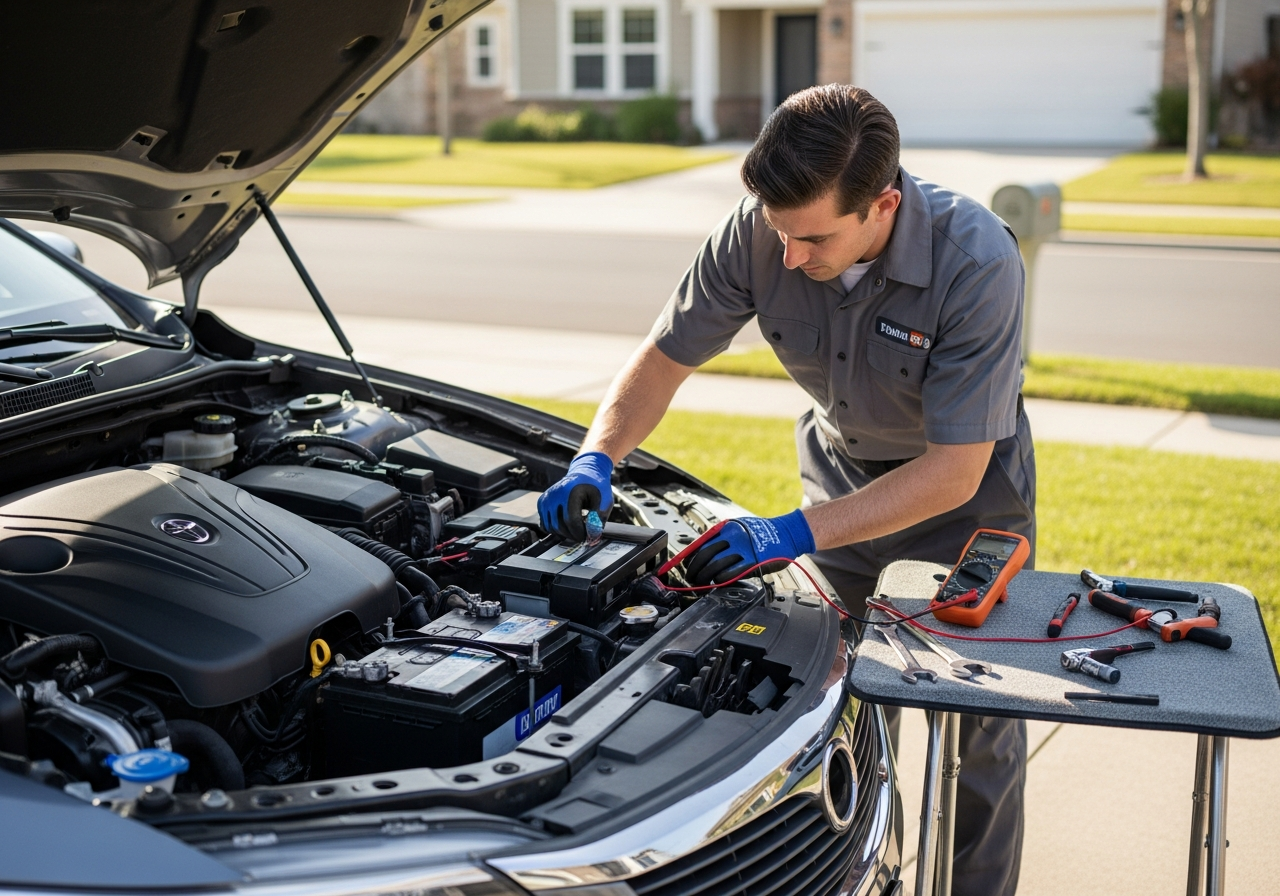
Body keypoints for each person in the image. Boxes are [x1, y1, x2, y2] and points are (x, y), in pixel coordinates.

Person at [537, 84, 1033, 896]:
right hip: (838, 483)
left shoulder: (976, 260)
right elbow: (664, 359)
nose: (791, 258)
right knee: (835, 700)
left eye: (813, 238)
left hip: (968, 507)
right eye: (778, 233)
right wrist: (597, 455)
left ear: (883, 205)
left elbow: (954, 468)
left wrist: (789, 534)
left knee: (974, 732)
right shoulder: (763, 231)